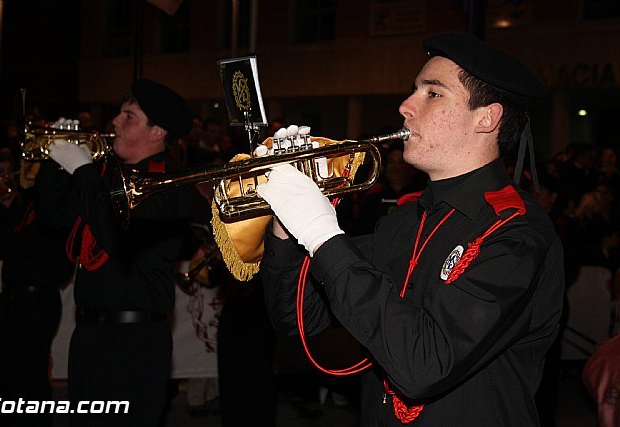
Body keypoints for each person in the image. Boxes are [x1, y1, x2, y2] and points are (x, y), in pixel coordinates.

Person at [256, 33, 565, 425]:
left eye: (432, 94)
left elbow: (424, 365)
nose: (405, 106)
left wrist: (321, 232)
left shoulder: (516, 233)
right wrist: (288, 226)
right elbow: (297, 317)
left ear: (486, 118)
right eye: (413, 91)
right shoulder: (403, 219)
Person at [36, 79, 194, 426]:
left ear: (158, 132)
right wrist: (54, 162)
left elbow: (119, 239)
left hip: (135, 344)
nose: (115, 123)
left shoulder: (169, 185)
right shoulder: (106, 174)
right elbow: (53, 218)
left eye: (129, 117)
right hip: (90, 337)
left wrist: (83, 171)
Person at [0, 153, 74, 427]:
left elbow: (47, 256)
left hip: (37, 298)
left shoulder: (44, 207)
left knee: (31, 375)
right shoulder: (15, 209)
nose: (9, 176)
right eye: (2, 170)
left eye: (13, 169)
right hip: (10, 297)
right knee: (5, 373)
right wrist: (1, 207)